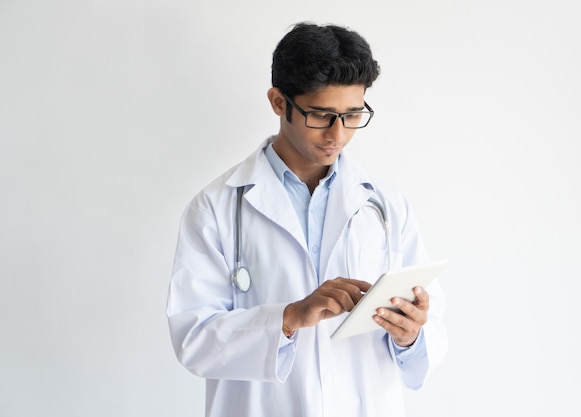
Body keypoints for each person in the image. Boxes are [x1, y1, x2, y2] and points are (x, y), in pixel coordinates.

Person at [166, 22, 447, 417]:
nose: (338, 134)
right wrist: (290, 316)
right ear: (279, 102)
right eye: (321, 115)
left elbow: (432, 329)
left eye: (352, 115)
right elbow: (193, 339)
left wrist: (412, 335)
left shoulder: (386, 206)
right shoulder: (215, 208)